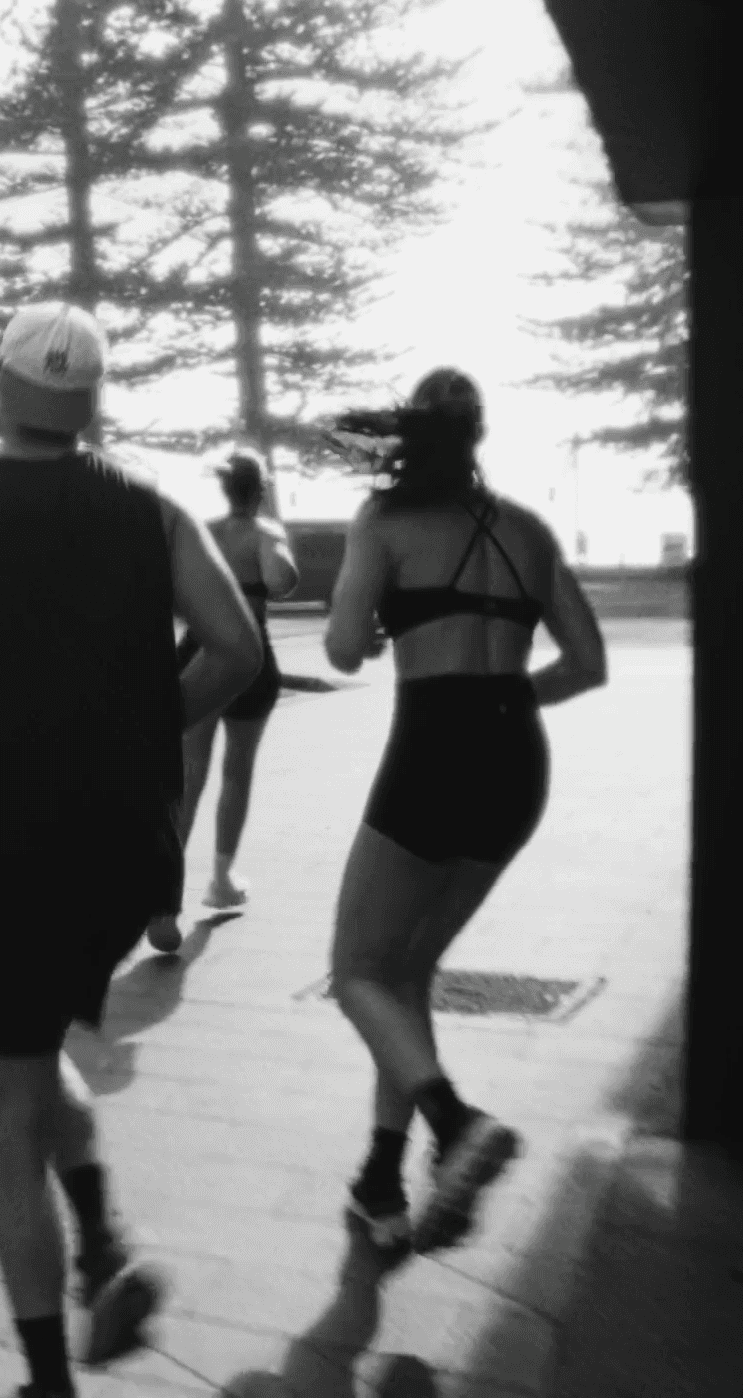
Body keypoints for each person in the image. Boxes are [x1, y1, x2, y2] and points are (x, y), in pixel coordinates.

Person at [0, 303, 261, 1397]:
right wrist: (148, 726)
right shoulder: (152, 509)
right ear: (92, 399)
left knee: (6, 1107)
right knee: (24, 1047)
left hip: (7, 845)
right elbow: (235, 647)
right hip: (125, 850)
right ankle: (104, 1244)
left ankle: (48, 1376)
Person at [321, 369, 608, 1253]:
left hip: (432, 752)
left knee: (356, 974)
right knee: (405, 973)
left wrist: (374, 628)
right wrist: (507, 702)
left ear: (411, 434)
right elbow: (587, 663)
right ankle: (382, 1180)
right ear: (478, 435)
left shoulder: (385, 521)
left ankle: (455, 1124)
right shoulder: (528, 530)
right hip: (516, 760)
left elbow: (342, 650)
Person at [146, 448, 300, 954]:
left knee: (188, 775)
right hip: (249, 653)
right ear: (260, 489)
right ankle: (221, 879)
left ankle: (164, 904)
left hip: (198, 650)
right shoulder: (266, 532)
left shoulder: (202, 532)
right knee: (237, 771)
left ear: (224, 487)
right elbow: (280, 580)